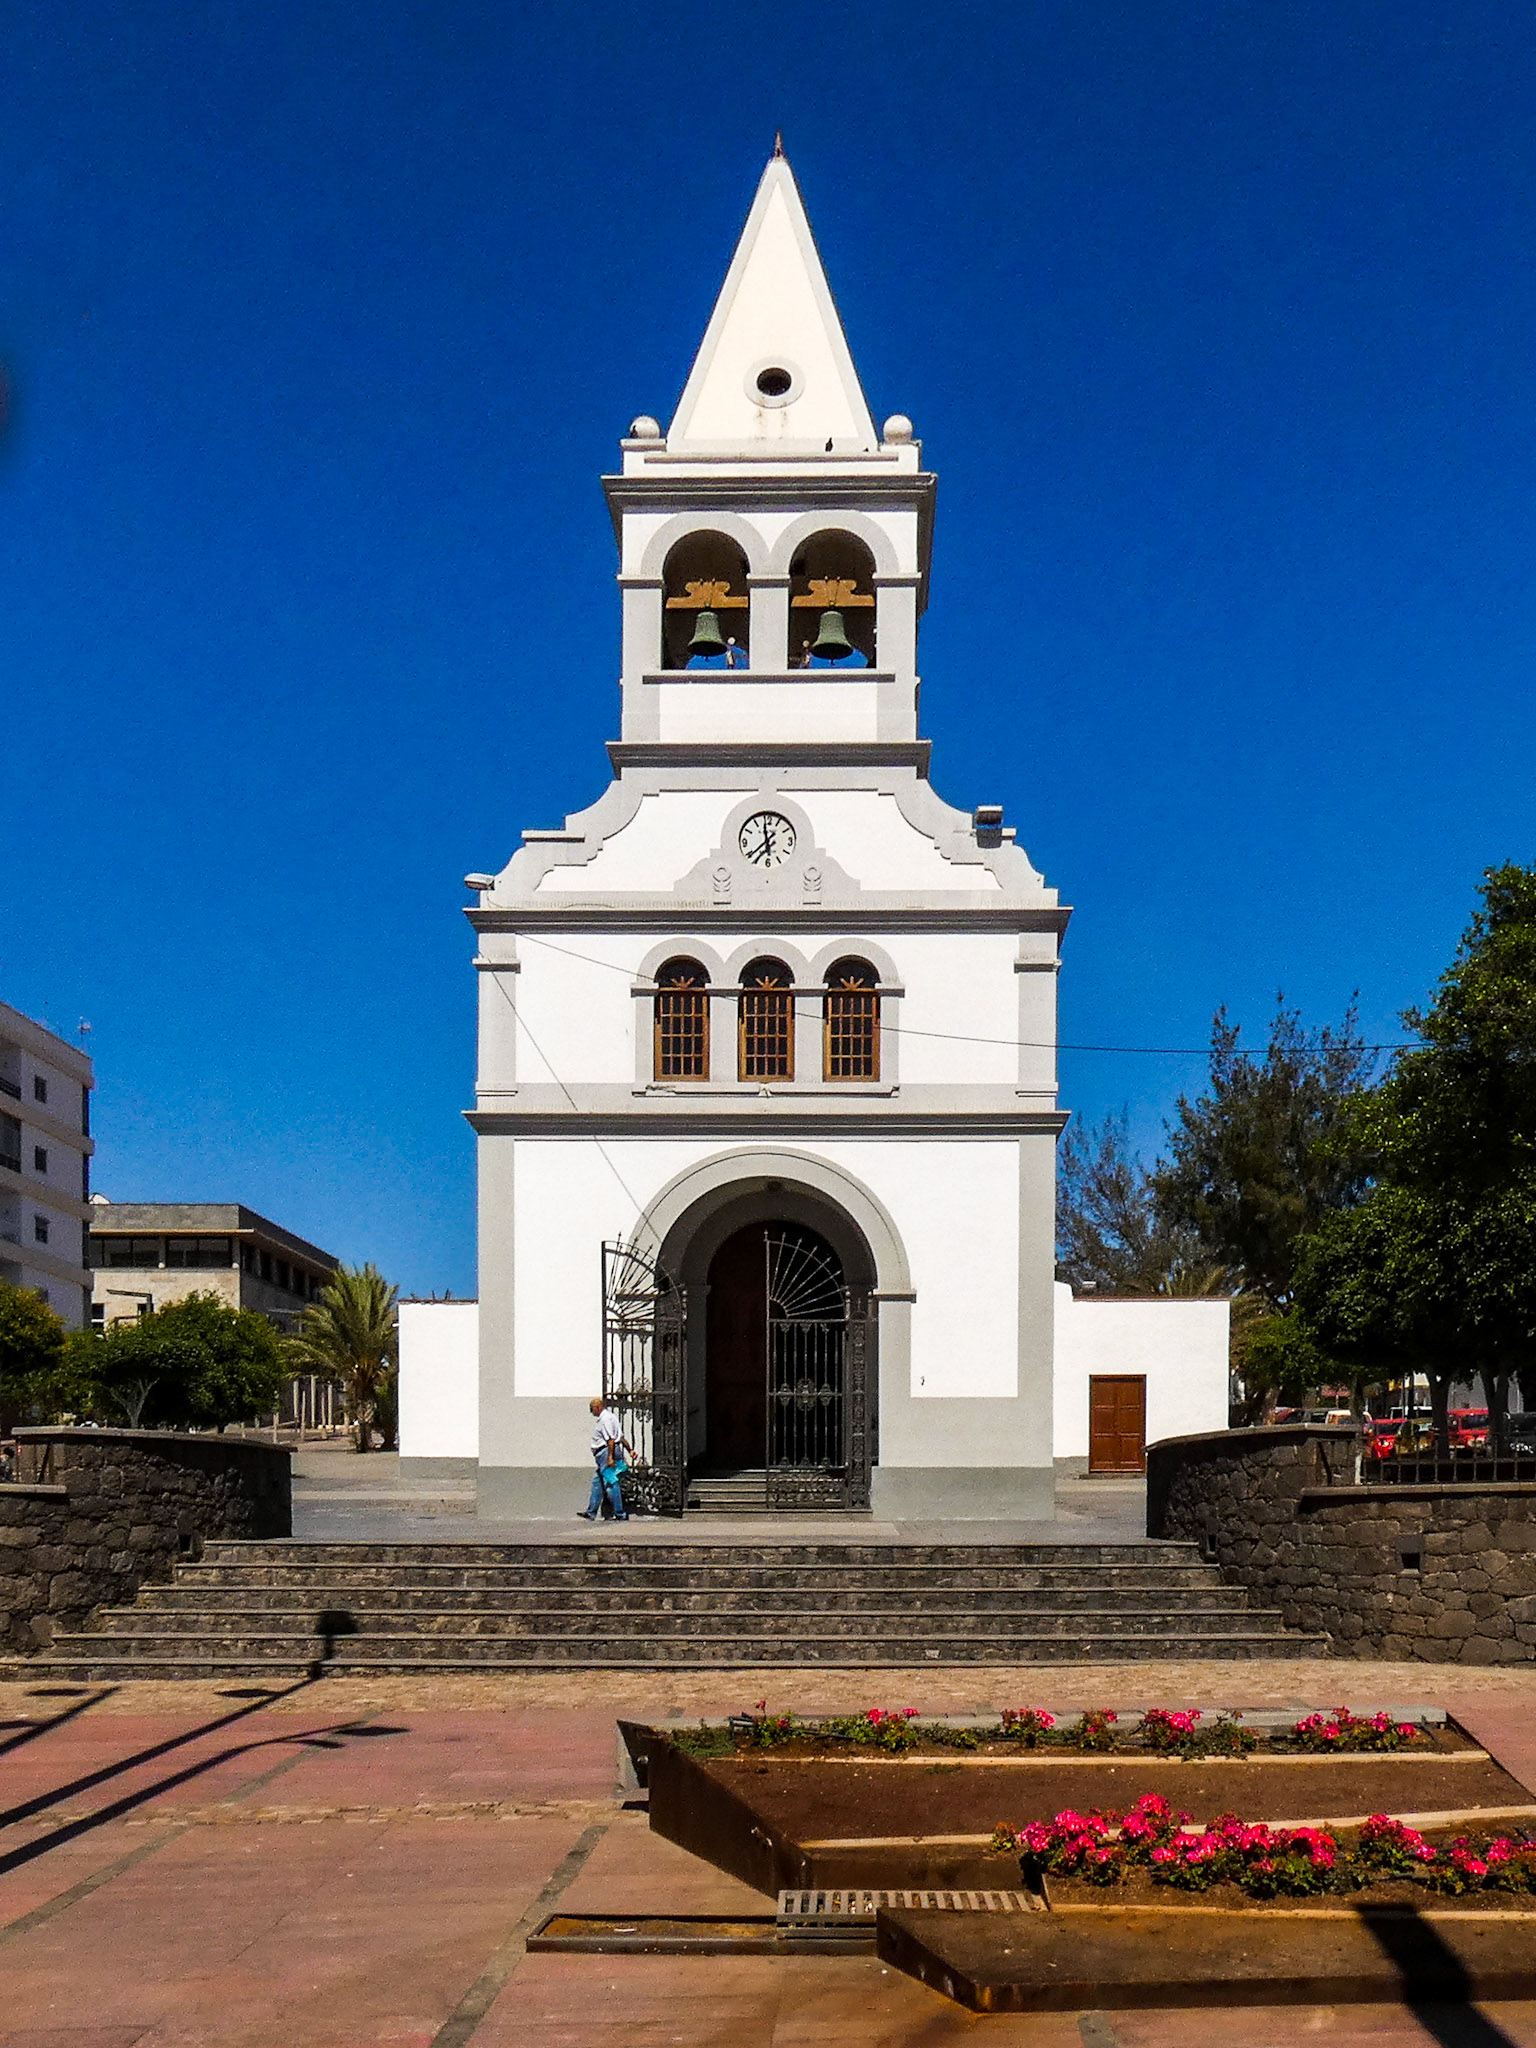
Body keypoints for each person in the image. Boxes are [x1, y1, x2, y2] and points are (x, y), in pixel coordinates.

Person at [579, 1396, 632, 1522]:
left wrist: (609, 1458)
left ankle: (620, 1513)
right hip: (605, 1454)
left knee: (610, 1483)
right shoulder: (611, 1417)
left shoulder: (605, 1419)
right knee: (597, 1483)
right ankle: (591, 1512)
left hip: (605, 1453)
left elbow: (611, 1440)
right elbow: (621, 1436)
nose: (592, 1413)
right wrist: (630, 1450)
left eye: (592, 1410)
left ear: (598, 1407)